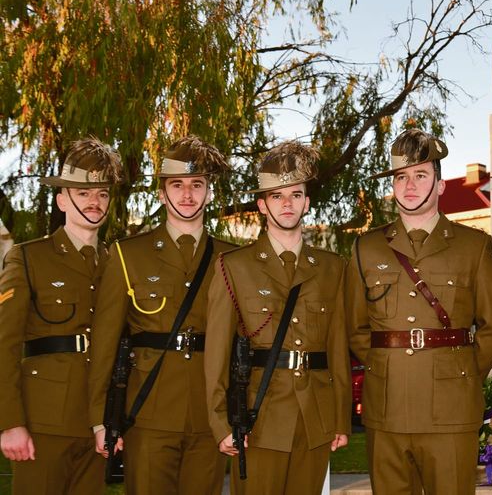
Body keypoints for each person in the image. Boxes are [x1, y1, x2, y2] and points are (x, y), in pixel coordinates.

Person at [346, 129, 492, 495]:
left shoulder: (473, 246)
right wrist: (386, 367)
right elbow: (355, 327)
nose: (409, 185)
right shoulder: (366, 248)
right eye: (401, 177)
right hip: (387, 408)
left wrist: (459, 372)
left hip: (451, 410)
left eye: (420, 175)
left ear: (439, 185)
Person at [88, 136, 235, 494]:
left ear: (209, 193)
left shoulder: (233, 259)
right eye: (177, 185)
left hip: (210, 417)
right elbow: (105, 344)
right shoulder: (128, 255)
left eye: (197, 185)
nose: (187, 195)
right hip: (148, 413)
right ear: (162, 194)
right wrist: (99, 420)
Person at [205, 140, 351, 494]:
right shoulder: (234, 266)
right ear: (262, 205)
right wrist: (220, 421)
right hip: (259, 418)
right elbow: (216, 353)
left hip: (315, 417)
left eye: (295, 195)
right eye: (277, 196)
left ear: (306, 202)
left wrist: (341, 418)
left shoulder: (332, 267)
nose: (287, 204)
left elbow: (338, 348)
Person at [0, 138, 122, 495]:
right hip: (44, 420)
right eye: (83, 193)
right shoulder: (29, 257)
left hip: (100, 423)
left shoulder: (118, 264)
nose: (94, 201)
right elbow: (4, 344)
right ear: (62, 200)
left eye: (101, 194)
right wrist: (9, 423)